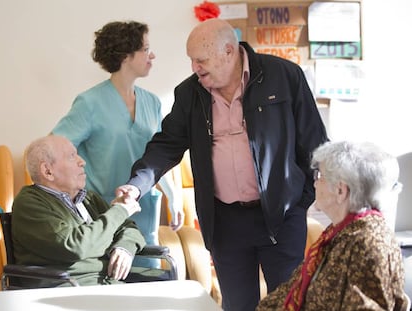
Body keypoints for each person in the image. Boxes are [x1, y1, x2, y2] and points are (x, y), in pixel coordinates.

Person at [116, 18, 328, 311]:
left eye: (200, 60)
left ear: (229, 51)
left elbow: (315, 144)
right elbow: (167, 144)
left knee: (289, 304)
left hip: (281, 216)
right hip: (226, 222)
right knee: (237, 305)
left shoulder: (284, 76)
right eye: (191, 60)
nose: (195, 68)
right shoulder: (190, 93)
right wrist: (137, 184)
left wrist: (302, 201)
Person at [51, 21, 184, 267]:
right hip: (102, 213)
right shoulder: (89, 103)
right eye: (145, 49)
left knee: (145, 283)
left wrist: (173, 195)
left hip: (144, 209)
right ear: (126, 56)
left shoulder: (152, 102)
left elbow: (157, 154)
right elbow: (54, 149)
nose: (152, 55)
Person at [256, 140, 409, 311]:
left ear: (340, 191)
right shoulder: (340, 230)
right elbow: (292, 289)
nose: (314, 183)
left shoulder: (369, 244)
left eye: (319, 176)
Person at [12, 135, 147, 287]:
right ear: (47, 171)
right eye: (71, 156)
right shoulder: (29, 203)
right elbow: (75, 246)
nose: (82, 161)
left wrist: (124, 246)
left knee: (168, 284)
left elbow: (128, 227)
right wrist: (120, 210)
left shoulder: (88, 198)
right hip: (72, 285)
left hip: (107, 280)